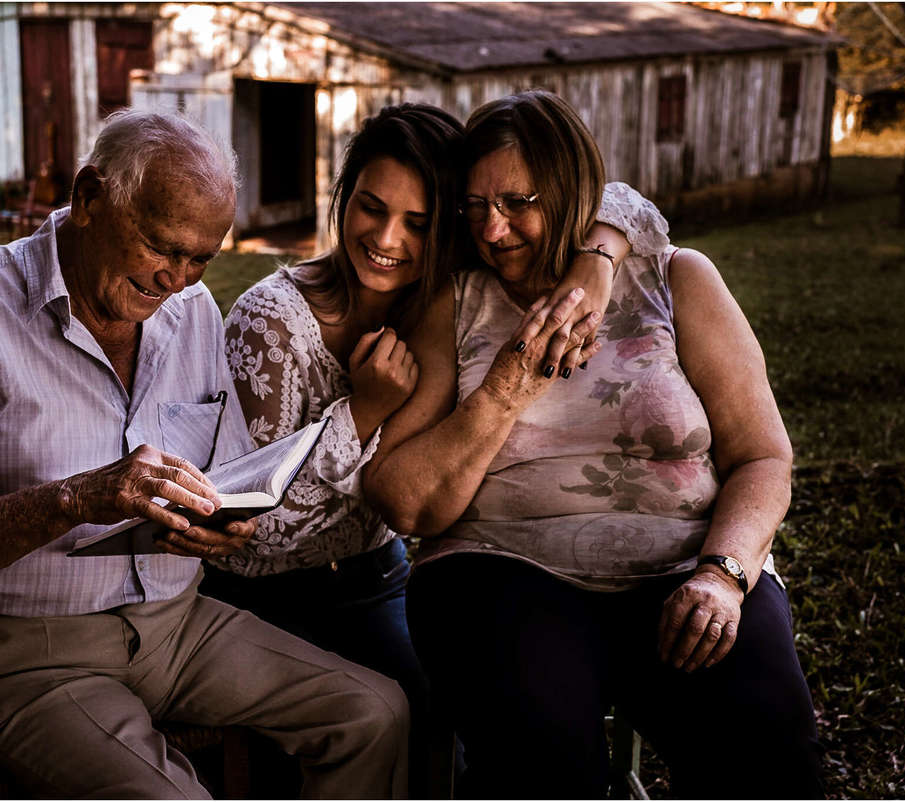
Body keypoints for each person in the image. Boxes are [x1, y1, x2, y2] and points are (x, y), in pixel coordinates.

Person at [0, 109, 409, 799]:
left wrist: (223, 521)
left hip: (175, 626)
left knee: (374, 713)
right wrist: (76, 498)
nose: (175, 279)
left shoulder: (194, 310)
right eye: (161, 246)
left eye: (201, 258)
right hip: (18, 653)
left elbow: (225, 476)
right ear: (90, 199)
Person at [363, 90, 824, 799]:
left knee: (767, 741)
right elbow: (405, 503)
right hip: (503, 567)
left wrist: (722, 575)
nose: (492, 229)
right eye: (474, 207)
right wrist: (512, 382)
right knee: (541, 760)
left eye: (518, 202)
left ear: (577, 192)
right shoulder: (453, 303)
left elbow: (762, 456)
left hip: (684, 564)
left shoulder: (675, 278)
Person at [202, 102, 671, 796]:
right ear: (344, 197)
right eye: (370, 207)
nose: (386, 239)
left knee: (467, 715)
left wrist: (598, 260)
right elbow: (252, 532)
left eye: (418, 224)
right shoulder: (272, 323)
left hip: (380, 575)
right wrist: (363, 411)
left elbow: (625, 200)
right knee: (373, 723)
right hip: (267, 596)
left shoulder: (449, 306)